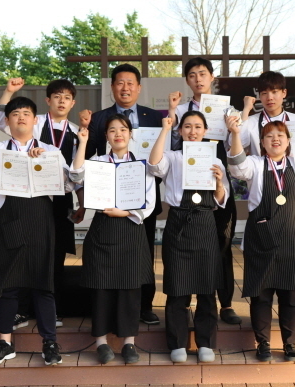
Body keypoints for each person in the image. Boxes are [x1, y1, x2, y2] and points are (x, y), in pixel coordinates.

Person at [0, 96, 74, 366]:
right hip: (8, 221)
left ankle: (49, 342)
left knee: (44, 284)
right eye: (15, 113)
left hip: (41, 221)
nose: (21, 117)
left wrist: (45, 165)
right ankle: (5, 342)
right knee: (8, 285)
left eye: (26, 113)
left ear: (35, 120)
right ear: (6, 121)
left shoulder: (50, 150)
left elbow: (69, 185)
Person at [226, 118, 295, 362]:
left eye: (280, 135)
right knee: (261, 296)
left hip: (293, 239)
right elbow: (236, 167)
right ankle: (262, 343)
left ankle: (289, 343)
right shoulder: (254, 163)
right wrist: (234, 134)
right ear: (262, 143)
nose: (275, 139)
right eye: (269, 136)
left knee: (292, 295)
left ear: (288, 141)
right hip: (262, 239)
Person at [0, 78, 85, 328]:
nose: (61, 101)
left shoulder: (76, 131)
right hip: (28, 199)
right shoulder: (33, 120)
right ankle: (20, 310)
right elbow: (0, 119)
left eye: (66, 97)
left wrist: (81, 202)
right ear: (48, 100)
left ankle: (50, 311)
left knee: (54, 256)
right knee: (21, 254)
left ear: (72, 103)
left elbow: (76, 172)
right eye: (57, 96)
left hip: (59, 198)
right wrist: (9, 92)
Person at [229, 70, 295, 326]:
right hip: (263, 183)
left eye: (275, 91)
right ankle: (264, 304)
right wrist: (240, 122)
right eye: (264, 92)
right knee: (264, 249)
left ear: (284, 94)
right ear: (259, 95)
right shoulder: (253, 122)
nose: (269, 97)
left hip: (291, 188)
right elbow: (235, 151)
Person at [70, 111, 156, 364]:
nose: (118, 134)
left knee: (130, 287)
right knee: (102, 287)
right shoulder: (96, 162)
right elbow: (75, 176)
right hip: (103, 229)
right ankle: (101, 342)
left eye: (123, 130)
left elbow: (149, 201)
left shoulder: (142, 163)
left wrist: (126, 211)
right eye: (112, 130)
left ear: (130, 134)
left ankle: (129, 343)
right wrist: (83, 142)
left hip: (131, 229)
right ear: (106, 136)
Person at [148, 111, 229, 363]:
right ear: (180, 131)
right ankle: (177, 343)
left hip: (205, 222)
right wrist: (164, 129)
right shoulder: (172, 157)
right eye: (187, 127)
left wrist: (218, 182)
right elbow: (153, 165)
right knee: (177, 286)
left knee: (207, 287)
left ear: (205, 131)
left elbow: (220, 200)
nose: (192, 131)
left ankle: (206, 343)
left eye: (197, 127)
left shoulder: (215, 158)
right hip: (179, 222)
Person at [86, 63, 163, 325]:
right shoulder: (98, 118)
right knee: (108, 258)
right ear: (112, 87)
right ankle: (110, 311)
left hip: (140, 194)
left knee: (143, 253)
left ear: (139, 88)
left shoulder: (154, 116)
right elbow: (90, 157)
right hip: (107, 200)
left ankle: (145, 304)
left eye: (131, 83)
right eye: (120, 82)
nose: (125, 87)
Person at [167, 57, 241, 325]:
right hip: (187, 187)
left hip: (216, 181)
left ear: (212, 77)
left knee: (222, 243)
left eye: (203, 74)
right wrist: (171, 112)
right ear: (187, 80)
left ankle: (227, 303)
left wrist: (234, 127)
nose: (198, 79)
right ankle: (184, 301)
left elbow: (237, 144)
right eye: (192, 75)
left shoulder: (226, 109)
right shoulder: (181, 110)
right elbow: (172, 145)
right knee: (184, 245)